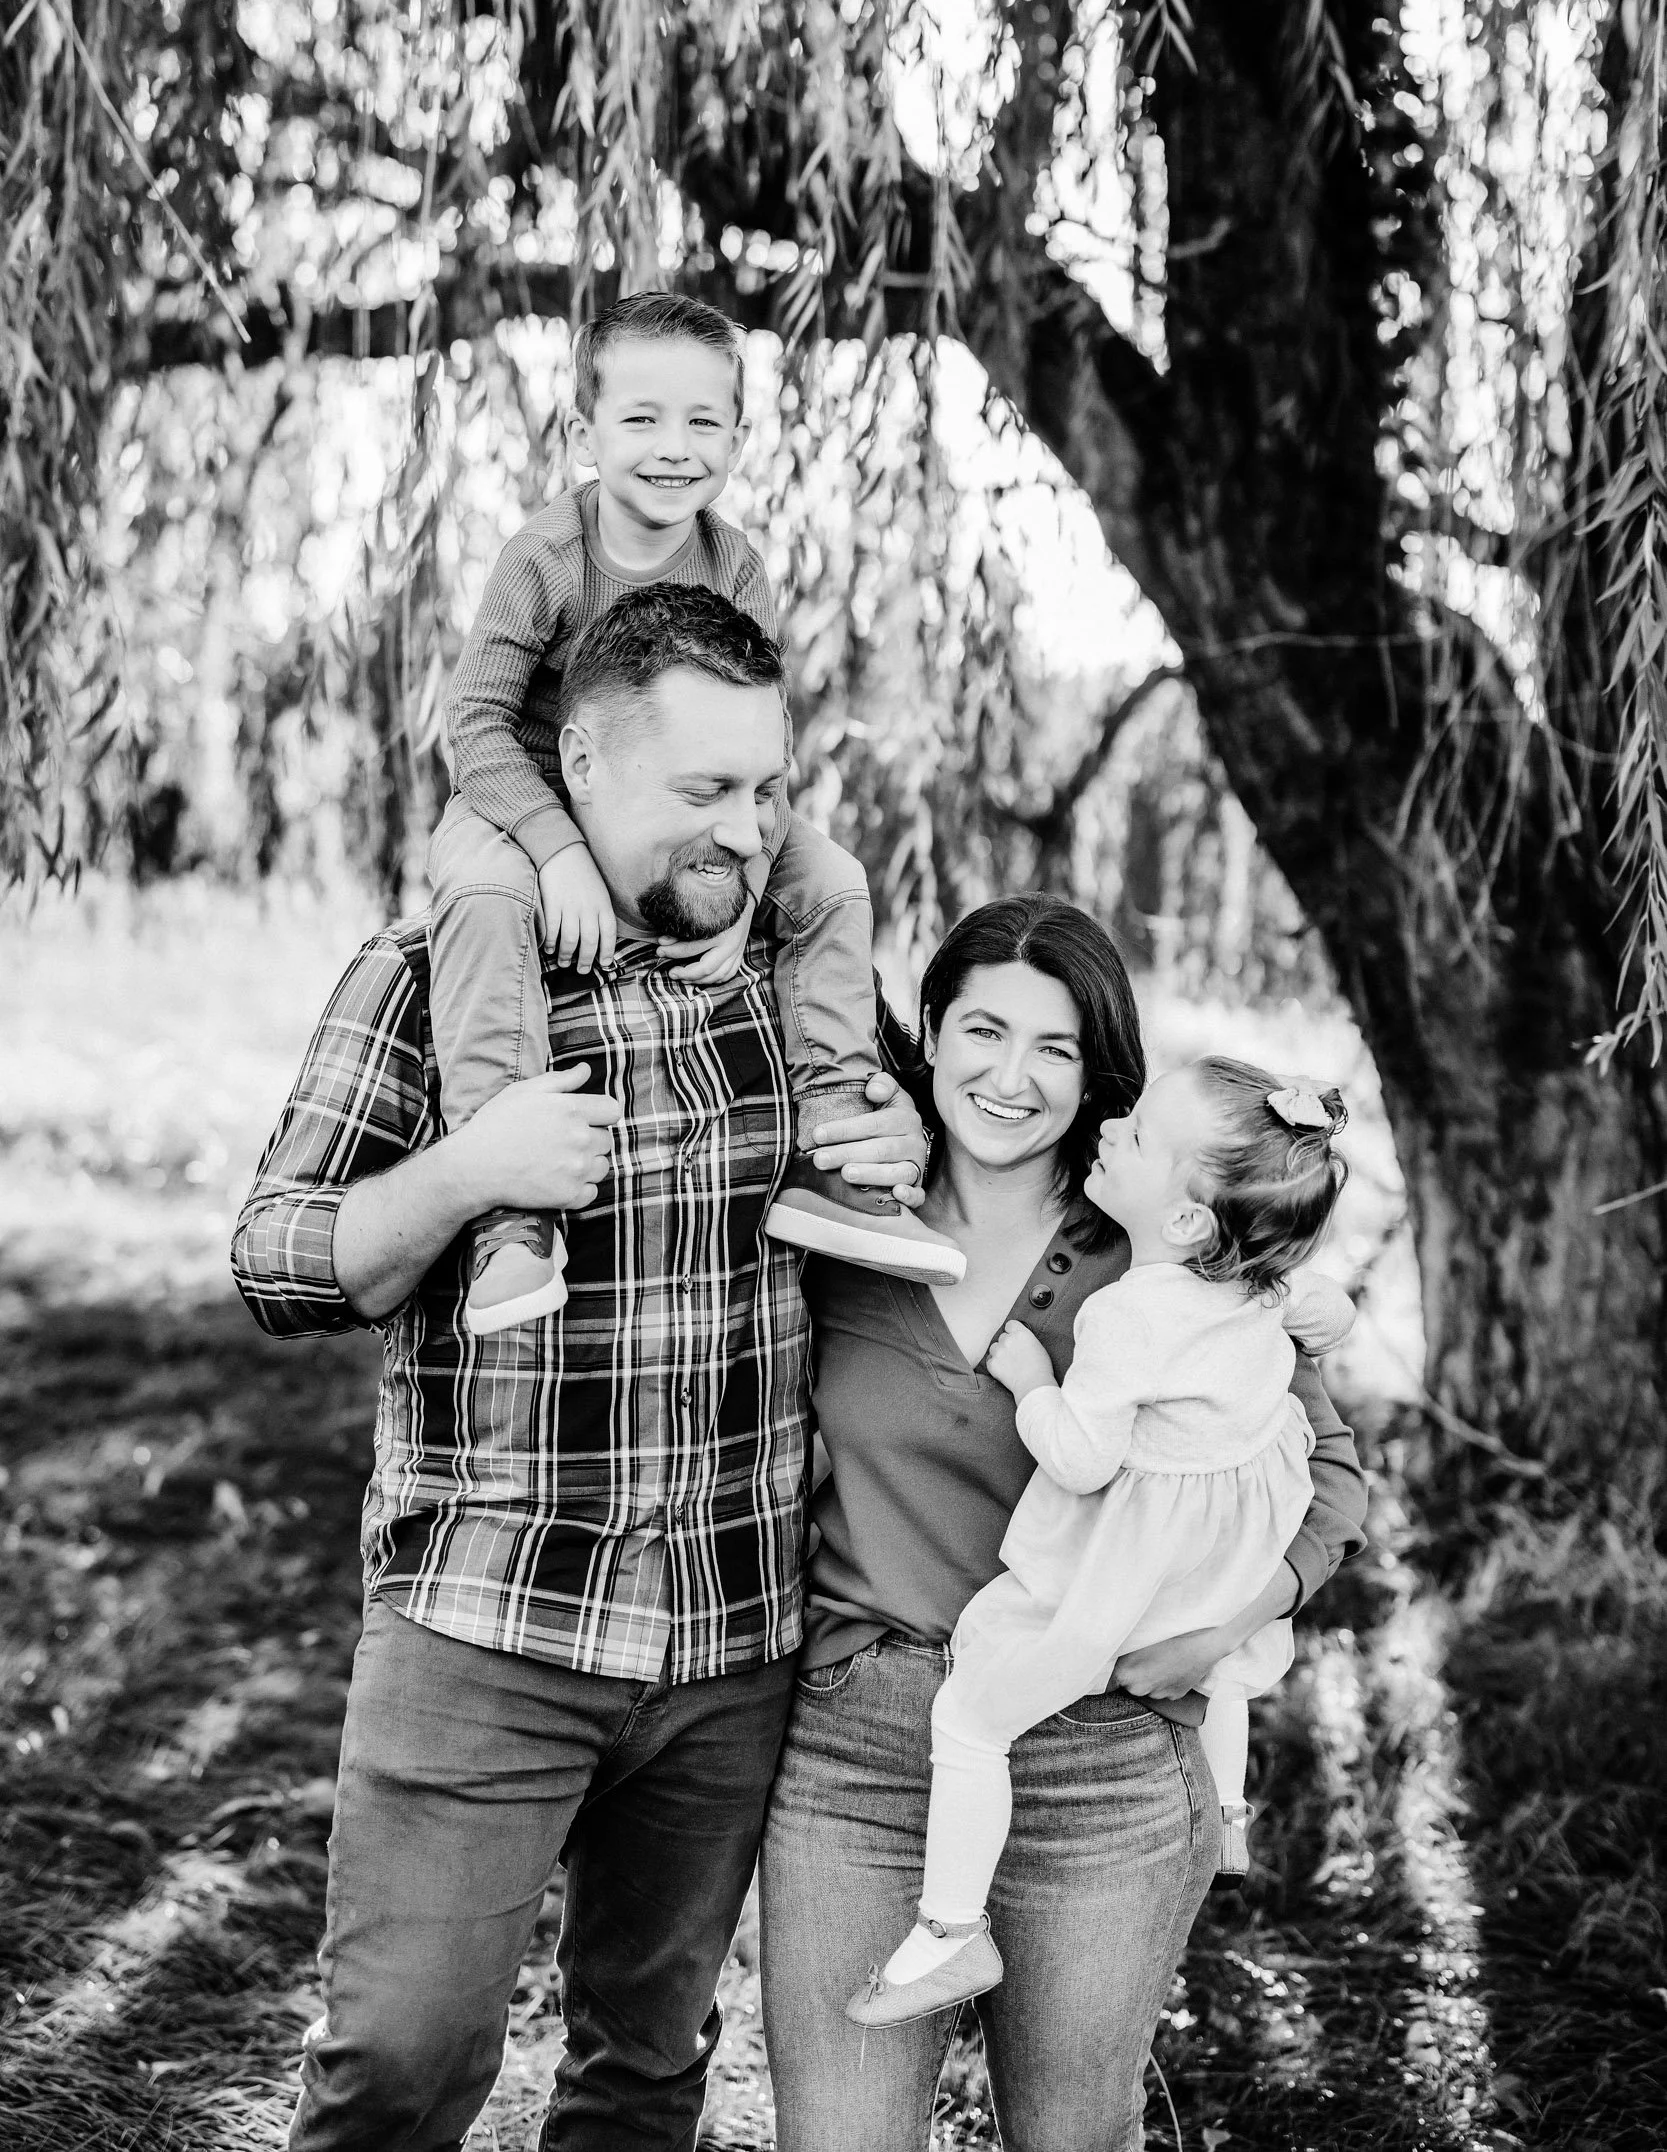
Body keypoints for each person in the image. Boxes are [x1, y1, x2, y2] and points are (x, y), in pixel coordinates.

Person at [230, 584, 930, 2152]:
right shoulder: (433, 971)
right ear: (583, 766)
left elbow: (926, 1197)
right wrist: (466, 1171)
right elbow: (273, 1258)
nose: (745, 831)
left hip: (735, 1638)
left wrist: (901, 1143)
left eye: (767, 789)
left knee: (644, 2071)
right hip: (488, 1619)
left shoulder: (802, 983)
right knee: (397, 2066)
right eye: (704, 790)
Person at [758, 896, 1369, 2152]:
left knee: (1070, 2134)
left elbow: (1330, 1481)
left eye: (1055, 1048)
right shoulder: (837, 1220)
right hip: (858, 1752)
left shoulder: (1169, 1253)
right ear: (929, 1032)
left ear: (1097, 1076)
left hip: (1100, 1754)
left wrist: (1225, 1631)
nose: (1010, 1077)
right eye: (982, 1030)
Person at [429, 288, 961, 1329]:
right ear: (583, 435)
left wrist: (746, 887)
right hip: (522, 794)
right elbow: (476, 723)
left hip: (692, 807)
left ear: (736, 438)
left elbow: (763, 743)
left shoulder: (733, 564)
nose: (674, 447)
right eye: (641, 418)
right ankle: (509, 1213)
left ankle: (832, 1144)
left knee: (834, 884)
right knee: (484, 901)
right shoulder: (543, 558)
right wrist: (555, 851)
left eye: (703, 421)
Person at [852, 1059, 1353, 2026]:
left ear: (1186, 1222)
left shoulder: (1125, 1312)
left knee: (971, 1718)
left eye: (1137, 1135)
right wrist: (1331, 1304)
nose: (1112, 1128)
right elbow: (1313, 1304)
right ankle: (1228, 1814)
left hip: (1130, 1564)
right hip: (1229, 1548)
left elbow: (1082, 1461)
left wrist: (1031, 1382)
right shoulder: (1258, 1287)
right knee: (1225, 1660)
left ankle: (949, 1931)